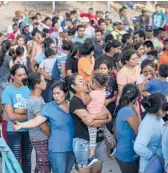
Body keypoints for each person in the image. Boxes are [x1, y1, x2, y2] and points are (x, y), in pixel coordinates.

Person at [12, 81, 75, 173]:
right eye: (54, 93)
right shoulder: (49, 107)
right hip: (57, 149)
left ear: (65, 93)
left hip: (72, 147)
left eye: (58, 93)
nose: (56, 96)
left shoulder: (73, 105)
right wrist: (21, 125)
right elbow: (37, 121)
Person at [69, 73, 111, 173]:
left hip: (99, 140)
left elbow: (107, 113)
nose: (84, 81)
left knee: (97, 171)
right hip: (84, 143)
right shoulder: (75, 101)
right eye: (80, 81)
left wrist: (98, 117)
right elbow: (90, 123)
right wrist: (105, 119)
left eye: (84, 79)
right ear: (74, 87)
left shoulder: (93, 95)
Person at [2, 64, 33, 173]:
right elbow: (11, 115)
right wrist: (28, 114)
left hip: (29, 129)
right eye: (19, 75)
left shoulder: (29, 89)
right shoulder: (7, 91)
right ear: (13, 76)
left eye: (24, 74)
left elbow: (34, 110)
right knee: (14, 159)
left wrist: (18, 111)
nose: (22, 77)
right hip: (14, 130)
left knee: (27, 159)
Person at [79, 72, 114, 166]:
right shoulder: (102, 91)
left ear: (95, 83)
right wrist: (90, 87)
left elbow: (86, 102)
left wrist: (82, 92)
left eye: (91, 82)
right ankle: (113, 144)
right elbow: (94, 94)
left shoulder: (93, 94)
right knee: (106, 131)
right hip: (100, 115)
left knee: (92, 137)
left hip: (93, 117)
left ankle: (91, 156)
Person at [134, 93, 167, 173]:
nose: (166, 110)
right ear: (158, 109)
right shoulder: (148, 125)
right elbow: (138, 147)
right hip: (150, 167)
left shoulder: (157, 117)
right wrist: (154, 157)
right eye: (165, 108)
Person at [27, 72, 51, 173]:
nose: (45, 82)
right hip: (41, 137)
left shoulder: (35, 97)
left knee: (40, 164)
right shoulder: (37, 101)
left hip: (36, 136)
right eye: (43, 81)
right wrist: (50, 134)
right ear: (37, 85)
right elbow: (41, 123)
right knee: (44, 166)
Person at [115, 83, 141, 173]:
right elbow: (139, 132)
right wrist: (138, 113)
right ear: (137, 97)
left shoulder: (123, 109)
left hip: (125, 152)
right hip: (128, 154)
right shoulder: (128, 111)